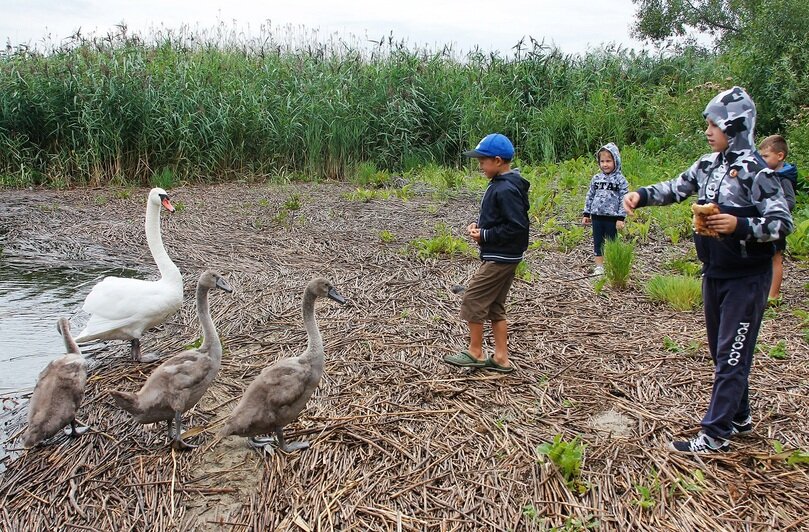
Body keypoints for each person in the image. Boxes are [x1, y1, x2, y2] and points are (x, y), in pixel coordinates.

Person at [623, 87, 793, 453]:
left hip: (747, 276)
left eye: (713, 123)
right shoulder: (707, 164)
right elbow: (675, 187)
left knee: (732, 353)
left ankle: (715, 434)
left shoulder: (756, 172)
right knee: (723, 351)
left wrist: (739, 226)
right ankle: (740, 417)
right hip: (714, 271)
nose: (707, 130)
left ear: (734, 125)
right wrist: (641, 195)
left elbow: (781, 223)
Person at [443, 133, 530, 374]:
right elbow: (501, 219)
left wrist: (486, 235)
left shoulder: (506, 189)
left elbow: (517, 226)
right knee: (495, 306)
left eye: (483, 161)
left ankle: (475, 352)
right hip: (504, 255)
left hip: (501, 257)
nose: (480, 166)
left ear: (498, 161)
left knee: (473, 298)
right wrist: (479, 227)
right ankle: (501, 357)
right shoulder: (503, 185)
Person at [758, 134, 798, 305]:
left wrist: (774, 209)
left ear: (780, 156)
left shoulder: (783, 178)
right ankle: (763, 290)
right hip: (763, 224)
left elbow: (790, 201)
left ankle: (773, 296)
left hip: (777, 224)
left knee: (776, 257)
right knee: (764, 256)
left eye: (766, 156)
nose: (762, 160)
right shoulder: (766, 175)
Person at [582, 143, 629, 275]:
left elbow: (624, 199)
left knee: (613, 242)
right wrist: (586, 213)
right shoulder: (596, 178)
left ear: (616, 161)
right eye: (602, 161)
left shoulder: (620, 180)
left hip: (612, 218)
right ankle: (599, 267)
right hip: (597, 216)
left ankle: (614, 264)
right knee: (598, 242)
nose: (605, 164)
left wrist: (621, 217)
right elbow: (590, 195)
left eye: (608, 161)